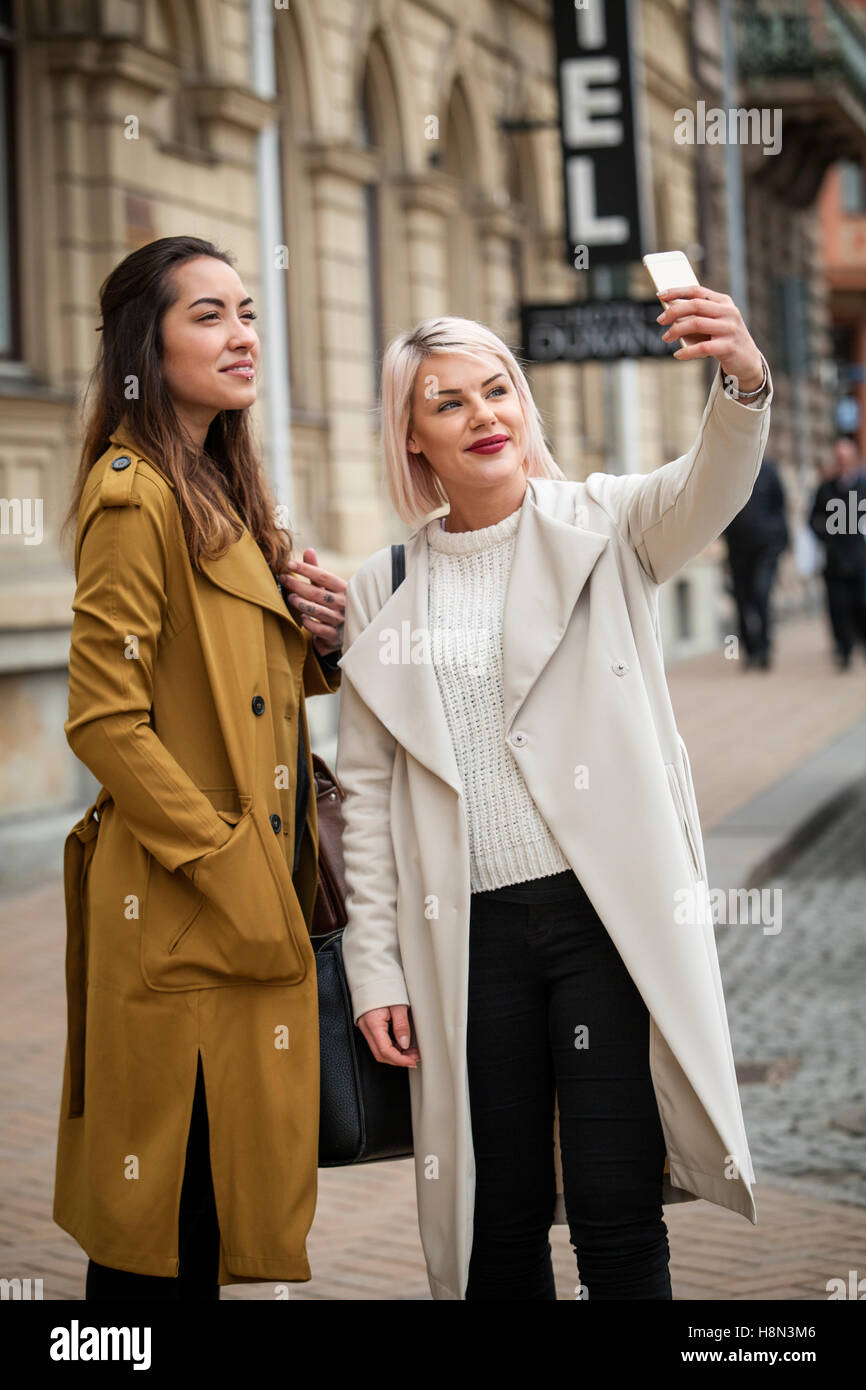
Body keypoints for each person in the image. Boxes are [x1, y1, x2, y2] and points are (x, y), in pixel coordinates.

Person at [334, 285, 773, 1301]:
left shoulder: (608, 523)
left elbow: (712, 480)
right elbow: (363, 787)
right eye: (448, 403)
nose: (483, 416)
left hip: (600, 925)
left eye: (497, 390)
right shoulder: (384, 582)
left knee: (617, 1218)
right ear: (411, 436)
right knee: (497, 1223)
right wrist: (374, 970)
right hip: (465, 940)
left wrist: (742, 377)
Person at [53, 235, 345, 1299]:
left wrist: (321, 641)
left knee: (211, 1210)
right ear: (147, 344)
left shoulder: (218, 487)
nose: (242, 336)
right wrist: (226, 864)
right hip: (181, 899)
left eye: (247, 312)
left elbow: (232, 693)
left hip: (240, 902)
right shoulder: (135, 496)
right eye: (208, 316)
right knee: (155, 1226)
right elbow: (104, 720)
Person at [723, 455, 789, 669]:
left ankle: (765, 647)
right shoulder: (729, 469)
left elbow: (780, 506)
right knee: (742, 601)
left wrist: (777, 537)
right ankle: (750, 651)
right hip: (738, 549)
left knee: (761, 594)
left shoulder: (769, 471)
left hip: (765, 548)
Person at [808, 436, 866, 669]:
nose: (842, 463)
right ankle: (843, 649)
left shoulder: (863, 487)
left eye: (846, 459)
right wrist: (827, 536)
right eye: (839, 459)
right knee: (838, 607)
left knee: (861, 604)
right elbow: (813, 520)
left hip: (861, 560)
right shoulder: (825, 489)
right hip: (835, 560)